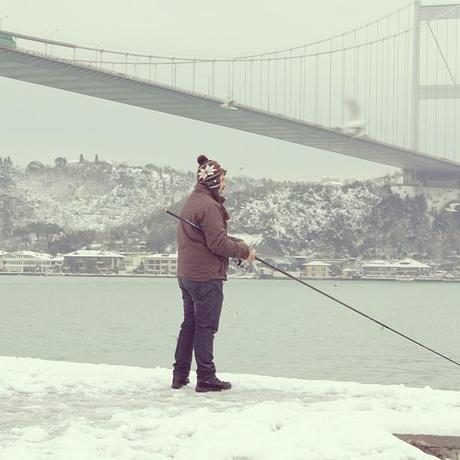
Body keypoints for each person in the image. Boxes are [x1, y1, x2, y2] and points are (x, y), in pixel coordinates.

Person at [172, 154, 256, 392]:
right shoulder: (209, 206)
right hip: (205, 277)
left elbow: (209, 238)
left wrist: (238, 245)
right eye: (222, 179)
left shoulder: (192, 201)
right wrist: (244, 252)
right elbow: (217, 244)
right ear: (213, 181)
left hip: (187, 275)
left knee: (189, 324)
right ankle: (206, 378)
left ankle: (179, 375)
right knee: (206, 327)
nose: (225, 183)